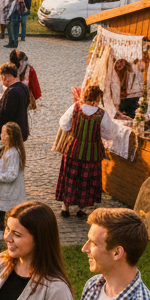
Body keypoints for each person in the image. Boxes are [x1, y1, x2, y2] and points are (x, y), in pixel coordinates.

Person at [55, 84, 117, 219]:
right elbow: (110, 133)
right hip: (92, 152)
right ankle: (82, 208)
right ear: (97, 98)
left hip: (73, 148)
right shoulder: (101, 114)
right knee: (86, 179)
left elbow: (64, 124)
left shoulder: (75, 108)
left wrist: (75, 129)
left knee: (70, 177)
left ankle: (65, 206)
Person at [0, 122, 27, 238]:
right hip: (5, 189)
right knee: (1, 210)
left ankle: (0, 231)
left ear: (11, 136)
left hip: (9, 190)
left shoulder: (14, 153)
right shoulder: (8, 149)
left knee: (5, 211)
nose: (2, 136)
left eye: (4, 134)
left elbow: (11, 175)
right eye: (2, 133)